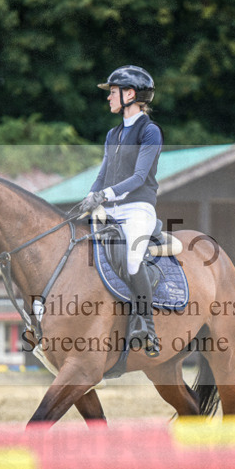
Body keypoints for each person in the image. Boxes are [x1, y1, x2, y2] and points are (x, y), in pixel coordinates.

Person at [81, 65, 163, 357]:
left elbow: (140, 177)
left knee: (131, 261)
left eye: (112, 92)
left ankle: (147, 326)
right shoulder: (113, 134)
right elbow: (103, 174)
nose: (109, 98)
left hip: (139, 208)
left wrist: (106, 194)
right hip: (111, 209)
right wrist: (92, 194)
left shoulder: (150, 131)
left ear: (130, 94)